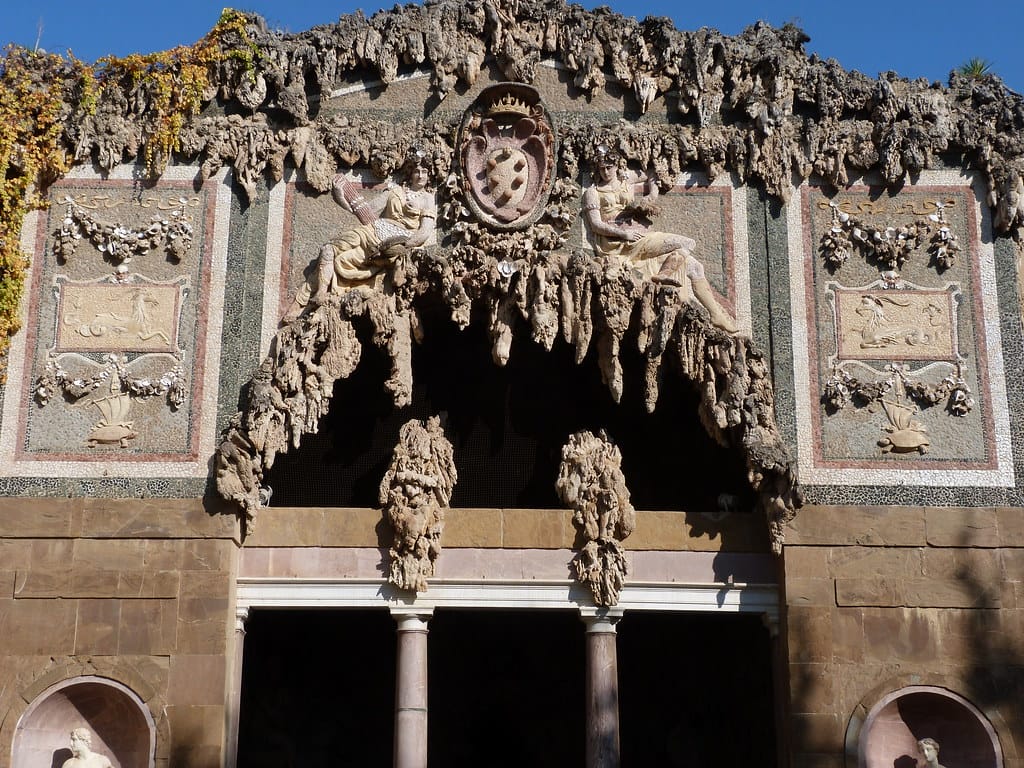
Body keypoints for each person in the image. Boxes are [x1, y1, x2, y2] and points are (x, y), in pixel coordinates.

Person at [582, 147, 738, 333]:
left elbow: (651, 174)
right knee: (688, 243)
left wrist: (651, 196)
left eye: (609, 167)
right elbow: (595, 225)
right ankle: (665, 274)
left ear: (617, 165)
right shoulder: (593, 192)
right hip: (619, 243)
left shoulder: (627, 178)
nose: (606, 172)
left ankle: (715, 314)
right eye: (601, 168)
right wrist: (624, 234)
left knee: (695, 266)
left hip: (639, 235)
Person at [282, 149, 437, 322]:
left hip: (396, 244)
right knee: (328, 249)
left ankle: (312, 304)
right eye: (417, 171)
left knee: (343, 260)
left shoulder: (428, 199)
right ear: (410, 172)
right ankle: (317, 295)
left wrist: (400, 247)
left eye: (424, 172)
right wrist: (340, 197)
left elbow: (424, 233)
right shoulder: (394, 191)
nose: (420, 175)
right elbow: (365, 210)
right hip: (373, 231)